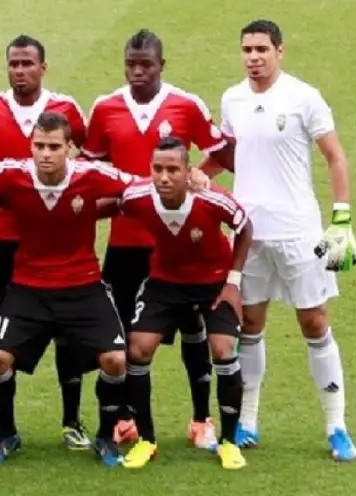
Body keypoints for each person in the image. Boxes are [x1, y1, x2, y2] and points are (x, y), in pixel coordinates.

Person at [200, 19, 356, 461]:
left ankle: (337, 427)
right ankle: (247, 422)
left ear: (279, 51)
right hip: (248, 234)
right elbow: (230, 154)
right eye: (247, 49)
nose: (253, 57)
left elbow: (336, 157)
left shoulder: (304, 97)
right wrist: (196, 173)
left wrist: (341, 221)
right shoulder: (232, 98)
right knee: (250, 324)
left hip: (300, 232)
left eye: (262, 49)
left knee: (315, 322)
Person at [82, 28, 234, 449]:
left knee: (193, 330)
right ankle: (126, 418)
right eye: (131, 64)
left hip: (176, 241)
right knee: (125, 335)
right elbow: (90, 166)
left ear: (160, 66)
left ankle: (200, 419)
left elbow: (223, 151)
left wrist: (200, 173)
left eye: (145, 64)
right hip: (125, 241)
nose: (137, 71)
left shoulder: (186, 104)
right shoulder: (105, 108)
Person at [0, 112, 141, 467]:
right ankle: (7, 434)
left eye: (54, 147)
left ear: (69, 148)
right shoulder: (12, 173)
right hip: (27, 288)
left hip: (83, 286)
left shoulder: (91, 174)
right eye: (39, 146)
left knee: (116, 360)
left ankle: (105, 437)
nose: (46, 154)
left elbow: (140, 186)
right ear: (30, 146)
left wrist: (192, 178)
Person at [0, 34, 90, 451]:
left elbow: (84, 160)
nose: (20, 70)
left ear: (44, 67)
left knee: (67, 333)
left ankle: (72, 421)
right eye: (14, 63)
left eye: (27, 63)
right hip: (5, 241)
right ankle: (3, 425)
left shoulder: (67, 109)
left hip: (58, 242)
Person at [117, 137, 251, 470]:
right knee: (137, 349)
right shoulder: (137, 196)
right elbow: (109, 202)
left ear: (188, 171)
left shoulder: (210, 198)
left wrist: (233, 282)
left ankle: (229, 442)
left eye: (173, 170)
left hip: (214, 284)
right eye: (158, 169)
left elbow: (244, 226)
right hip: (165, 283)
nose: (164, 177)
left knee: (223, 350)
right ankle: (146, 440)